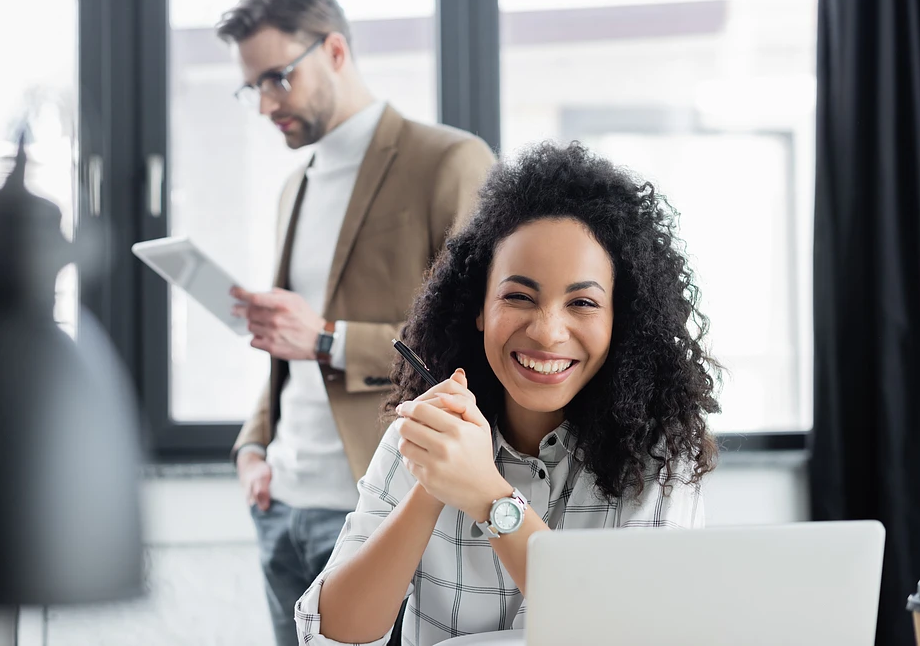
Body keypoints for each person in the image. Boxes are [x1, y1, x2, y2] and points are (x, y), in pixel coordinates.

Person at [292, 142, 722, 646]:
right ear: (479, 307)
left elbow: (621, 631)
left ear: (617, 320)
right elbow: (331, 635)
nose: (546, 332)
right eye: (519, 297)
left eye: (582, 302)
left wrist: (488, 496)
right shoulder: (424, 437)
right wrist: (436, 482)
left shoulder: (659, 456)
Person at [215, 0, 496, 645]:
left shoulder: (448, 161)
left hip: (377, 502)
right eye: (250, 87)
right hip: (281, 501)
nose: (264, 104)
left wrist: (325, 337)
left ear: (335, 50)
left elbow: (480, 341)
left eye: (276, 79)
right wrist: (252, 446)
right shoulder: (295, 186)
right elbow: (289, 347)